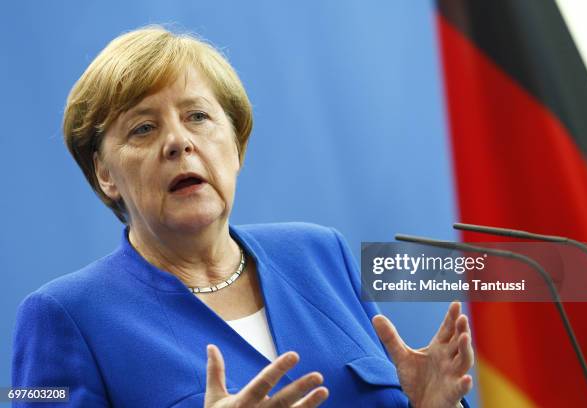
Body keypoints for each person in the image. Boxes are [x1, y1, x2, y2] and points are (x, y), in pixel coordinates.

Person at [12, 26, 474, 407]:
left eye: (197, 116)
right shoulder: (62, 316)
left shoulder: (320, 253)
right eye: (144, 128)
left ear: (236, 146)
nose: (178, 142)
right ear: (105, 173)